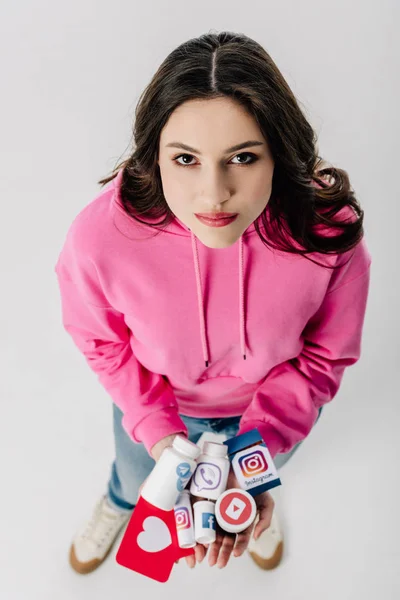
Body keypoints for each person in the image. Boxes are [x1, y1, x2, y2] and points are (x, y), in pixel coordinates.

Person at [54, 30, 372, 576]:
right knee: (134, 481)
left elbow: (326, 357)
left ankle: (259, 513)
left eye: (243, 158)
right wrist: (159, 433)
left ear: (279, 150)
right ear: (153, 155)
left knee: (250, 496)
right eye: (185, 159)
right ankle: (118, 502)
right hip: (157, 411)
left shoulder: (328, 233)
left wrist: (254, 456)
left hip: (276, 417)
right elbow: (102, 343)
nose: (212, 193)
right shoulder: (99, 237)